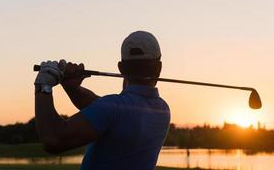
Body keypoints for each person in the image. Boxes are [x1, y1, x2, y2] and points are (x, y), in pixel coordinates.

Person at [34, 31, 171, 170]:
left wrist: (43, 85)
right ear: (159, 68)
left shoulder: (113, 109)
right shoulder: (162, 110)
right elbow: (102, 110)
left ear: (120, 68)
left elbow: (53, 139)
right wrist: (72, 89)